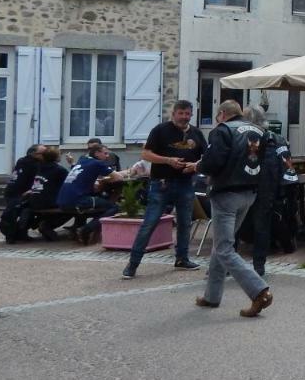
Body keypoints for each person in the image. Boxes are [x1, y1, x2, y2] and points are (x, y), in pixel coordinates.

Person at [193, 99, 273, 317]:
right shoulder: (259, 131)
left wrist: (197, 165)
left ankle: (259, 291)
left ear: (222, 114)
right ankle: (212, 295)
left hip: (226, 193)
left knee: (225, 248)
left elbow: (212, 163)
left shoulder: (223, 131)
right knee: (222, 245)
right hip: (249, 194)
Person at [121, 100, 206, 279]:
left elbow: (205, 157)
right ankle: (133, 264)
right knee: (150, 223)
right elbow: (145, 154)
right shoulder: (160, 130)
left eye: (188, 113)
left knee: (184, 223)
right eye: (181, 113)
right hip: (162, 183)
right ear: (173, 114)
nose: (184, 117)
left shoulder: (197, 133)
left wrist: (195, 165)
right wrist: (168, 160)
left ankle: (182, 259)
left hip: (185, 183)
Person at [243, 106, 293, 277]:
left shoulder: (241, 138)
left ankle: (229, 264)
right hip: (267, 190)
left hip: (243, 188)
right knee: (261, 227)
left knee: (235, 226)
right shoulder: (277, 139)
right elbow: (288, 167)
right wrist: (282, 191)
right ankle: (259, 266)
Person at [55, 143, 122, 242]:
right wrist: (104, 180)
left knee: (100, 203)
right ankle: (86, 230)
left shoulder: (82, 160)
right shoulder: (97, 163)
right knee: (114, 207)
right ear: (97, 153)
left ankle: (80, 228)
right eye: (106, 153)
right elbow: (118, 177)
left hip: (61, 200)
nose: (108, 156)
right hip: (77, 201)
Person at [0, 144, 44, 243]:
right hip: (21, 193)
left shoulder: (21, 160)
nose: (44, 156)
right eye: (42, 154)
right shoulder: (35, 164)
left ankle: (13, 235)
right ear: (34, 154)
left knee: (13, 212)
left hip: (10, 191)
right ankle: (18, 233)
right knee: (27, 211)